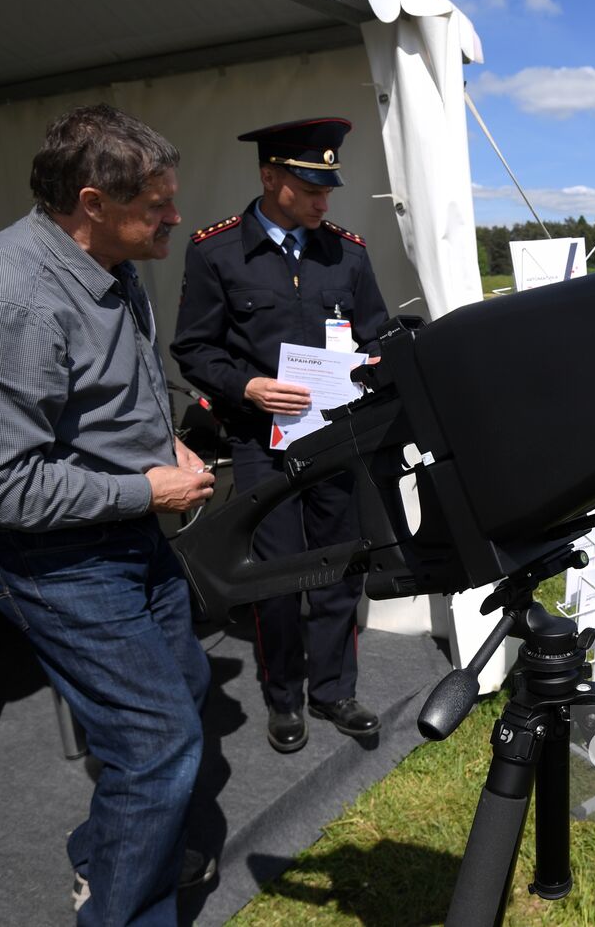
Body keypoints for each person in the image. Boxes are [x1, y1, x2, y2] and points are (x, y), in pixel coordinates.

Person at [0, 104, 216, 925]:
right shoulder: (1, 302)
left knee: (184, 689)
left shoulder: (113, 263)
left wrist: (168, 447)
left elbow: (112, 393)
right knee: (157, 742)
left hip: (122, 530)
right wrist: (147, 489)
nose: (175, 217)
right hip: (51, 553)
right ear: (92, 202)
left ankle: (115, 848)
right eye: (156, 204)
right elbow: (3, 487)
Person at [171, 117, 388, 753]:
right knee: (276, 571)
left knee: (340, 564)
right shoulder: (217, 252)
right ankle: (284, 697)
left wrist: (370, 365)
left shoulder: (346, 253)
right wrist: (247, 387)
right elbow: (194, 347)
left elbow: (373, 334)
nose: (325, 201)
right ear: (271, 178)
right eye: (311, 187)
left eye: (329, 188)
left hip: (335, 436)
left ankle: (333, 692)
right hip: (261, 443)